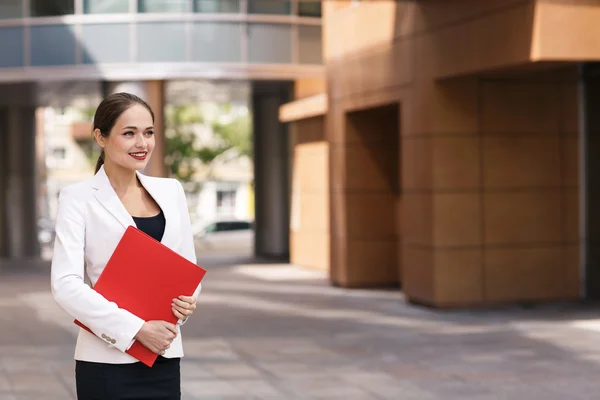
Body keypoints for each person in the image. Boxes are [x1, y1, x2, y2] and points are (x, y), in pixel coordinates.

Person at [51, 92, 202, 400]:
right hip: (106, 361)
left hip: (164, 355)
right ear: (100, 137)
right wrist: (136, 329)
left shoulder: (171, 191)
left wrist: (186, 304)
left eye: (148, 133)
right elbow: (65, 284)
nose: (142, 143)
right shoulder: (77, 198)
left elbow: (186, 266)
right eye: (129, 133)